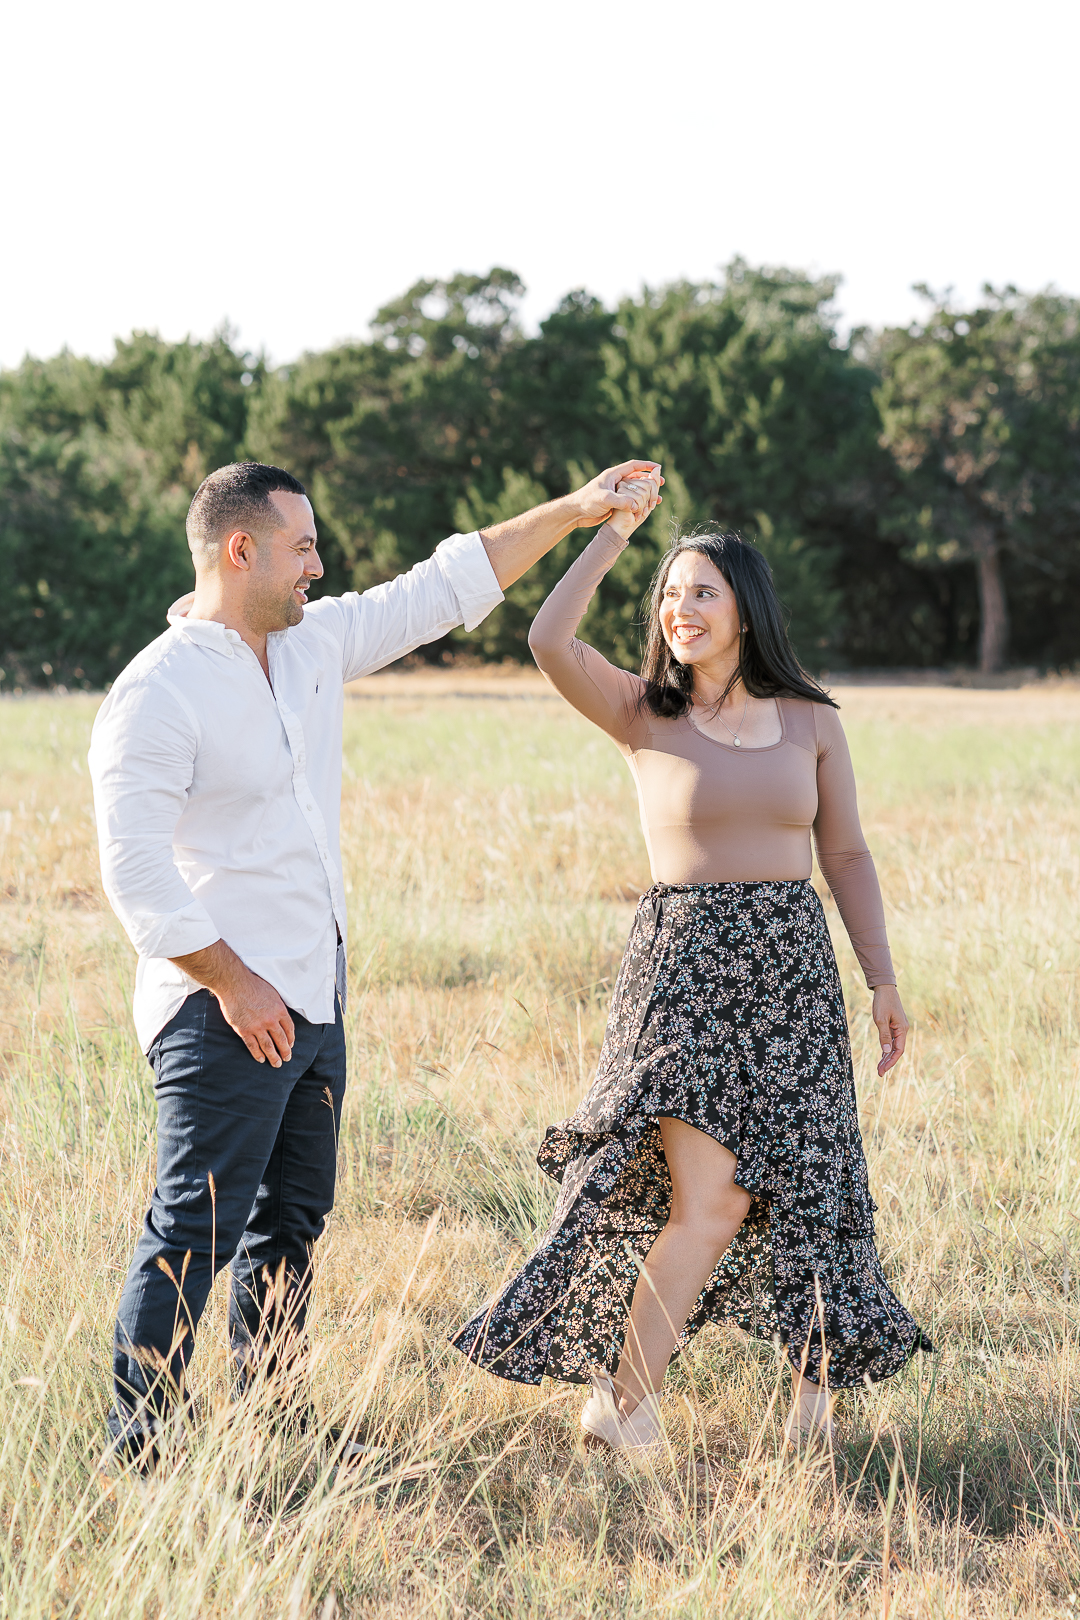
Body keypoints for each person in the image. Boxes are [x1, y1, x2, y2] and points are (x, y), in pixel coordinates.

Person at [88, 456, 659, 1466]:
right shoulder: (158, 692)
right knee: (196, 1225)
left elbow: (442, 586)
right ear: (240, 549)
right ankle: (140, 1450)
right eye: (301, 547)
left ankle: (274, 1424)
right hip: (221, 1006)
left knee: (290, 1223)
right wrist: (232, 981)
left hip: (314, 992)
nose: (318, 565)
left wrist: (577, 513)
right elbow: (134, 872)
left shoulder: (310, 648)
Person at [451, 473, 931, 1450]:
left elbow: (844, 854)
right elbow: (547, 639)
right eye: (670, 595)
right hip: (686, 980)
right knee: (710, 1203)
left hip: (793, 975)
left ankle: (813, 1405)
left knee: (809, 1183)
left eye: (701, 591)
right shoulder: (641, 710)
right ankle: (622, 1407)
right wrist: (613, 534)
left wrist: (880, 977)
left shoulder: (810, 720)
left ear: (747, 609)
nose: (680, 608)